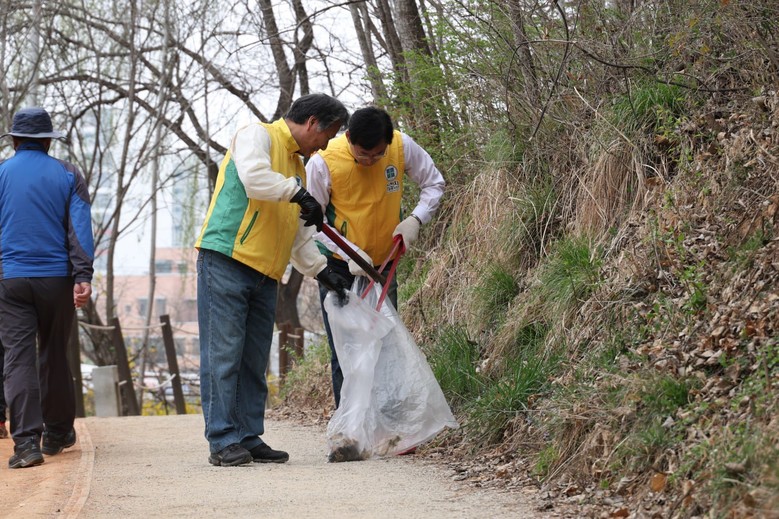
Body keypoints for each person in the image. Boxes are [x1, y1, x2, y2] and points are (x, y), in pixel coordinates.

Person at [195, 93, 351, 467]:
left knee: (253, 360)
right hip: (226, 259)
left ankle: (248, 436)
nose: (325, 145)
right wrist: (297, 192)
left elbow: (296, 234)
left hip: (266, 273)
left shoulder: (297, 167)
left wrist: (322, 271)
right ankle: (222, 439)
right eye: (327, 135)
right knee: (223, 355)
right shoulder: (258, 135)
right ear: (312, 123)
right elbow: (254, 180)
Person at [306, 106, 445, 408]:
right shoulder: (323, 161)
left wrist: (416, 219)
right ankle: (350, 424)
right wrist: (350, 252)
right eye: (363, 155)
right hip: (339, 267)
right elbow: (314, 222)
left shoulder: (401, 146)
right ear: (349, 138)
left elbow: (434, 183)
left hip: (383, 265)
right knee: (346, 346)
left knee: (384, 340)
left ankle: (385, 420)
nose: (370, 161)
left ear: (388, 142)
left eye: (377, 155)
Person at [0, 107, 95, 469]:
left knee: (18, 357)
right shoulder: (68, 173)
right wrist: (83, 276)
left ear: (15, 140)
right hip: (57, 279)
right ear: (47, 142)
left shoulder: (1, 173)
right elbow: (80, 230)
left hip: (11, 279)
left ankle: (26, 444)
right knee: (54, 353)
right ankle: (57, 432)